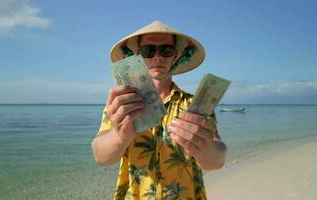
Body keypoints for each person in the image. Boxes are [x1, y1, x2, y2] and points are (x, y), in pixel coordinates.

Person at [92, 20, 227, 200]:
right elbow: (101, 157)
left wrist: (205, 148)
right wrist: (119, 135)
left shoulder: (193, 105)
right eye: (149, 50)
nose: (158, 57)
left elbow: (217, 160)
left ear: (175, 55)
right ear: (139, 55)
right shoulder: (122, 104)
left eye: (166, 50)